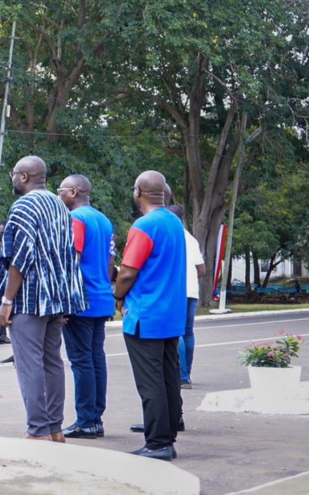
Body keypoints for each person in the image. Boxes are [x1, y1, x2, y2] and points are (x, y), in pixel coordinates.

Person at [0, 156, 85, 442]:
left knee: (29, 363)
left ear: (23, 177)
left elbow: (20, 257)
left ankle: (38, 430)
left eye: (13, 174)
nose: (12, 179)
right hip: (56, 297)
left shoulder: (23, 206)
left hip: (29, 299)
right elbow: (68, 251)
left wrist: (7, 301)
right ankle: (55, 428)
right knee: (52, 361)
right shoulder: (59, 205)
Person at [115, 171, 187, 460]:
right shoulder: (174, 222)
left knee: (150, 381)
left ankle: (157, 443)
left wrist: (118, 296)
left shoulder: (144, 226)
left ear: (138, 192)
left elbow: (128, 271)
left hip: (146, 313)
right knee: (169, 375)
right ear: (165, 192)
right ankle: (168, 435)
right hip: (171, 313)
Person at [58, 174, 115, 439]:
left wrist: (66, 302)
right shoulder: (103, 219)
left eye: (60, 191)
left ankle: (85, 420)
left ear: (73, 191)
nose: (58, 196)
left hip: (81, 299)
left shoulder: (76, 219)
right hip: (101, 295)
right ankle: (96, 417)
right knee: (95, 358)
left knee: (81, 361)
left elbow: (73, 259)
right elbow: (109, 260)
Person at [167, 205, 205, 389]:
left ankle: (180, 376)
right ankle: (187, 374)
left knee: (178, 332)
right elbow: (202, 270)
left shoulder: (170, 236)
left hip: (176, 291)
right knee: (188, 332)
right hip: (192, 291)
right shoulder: (191, 239)